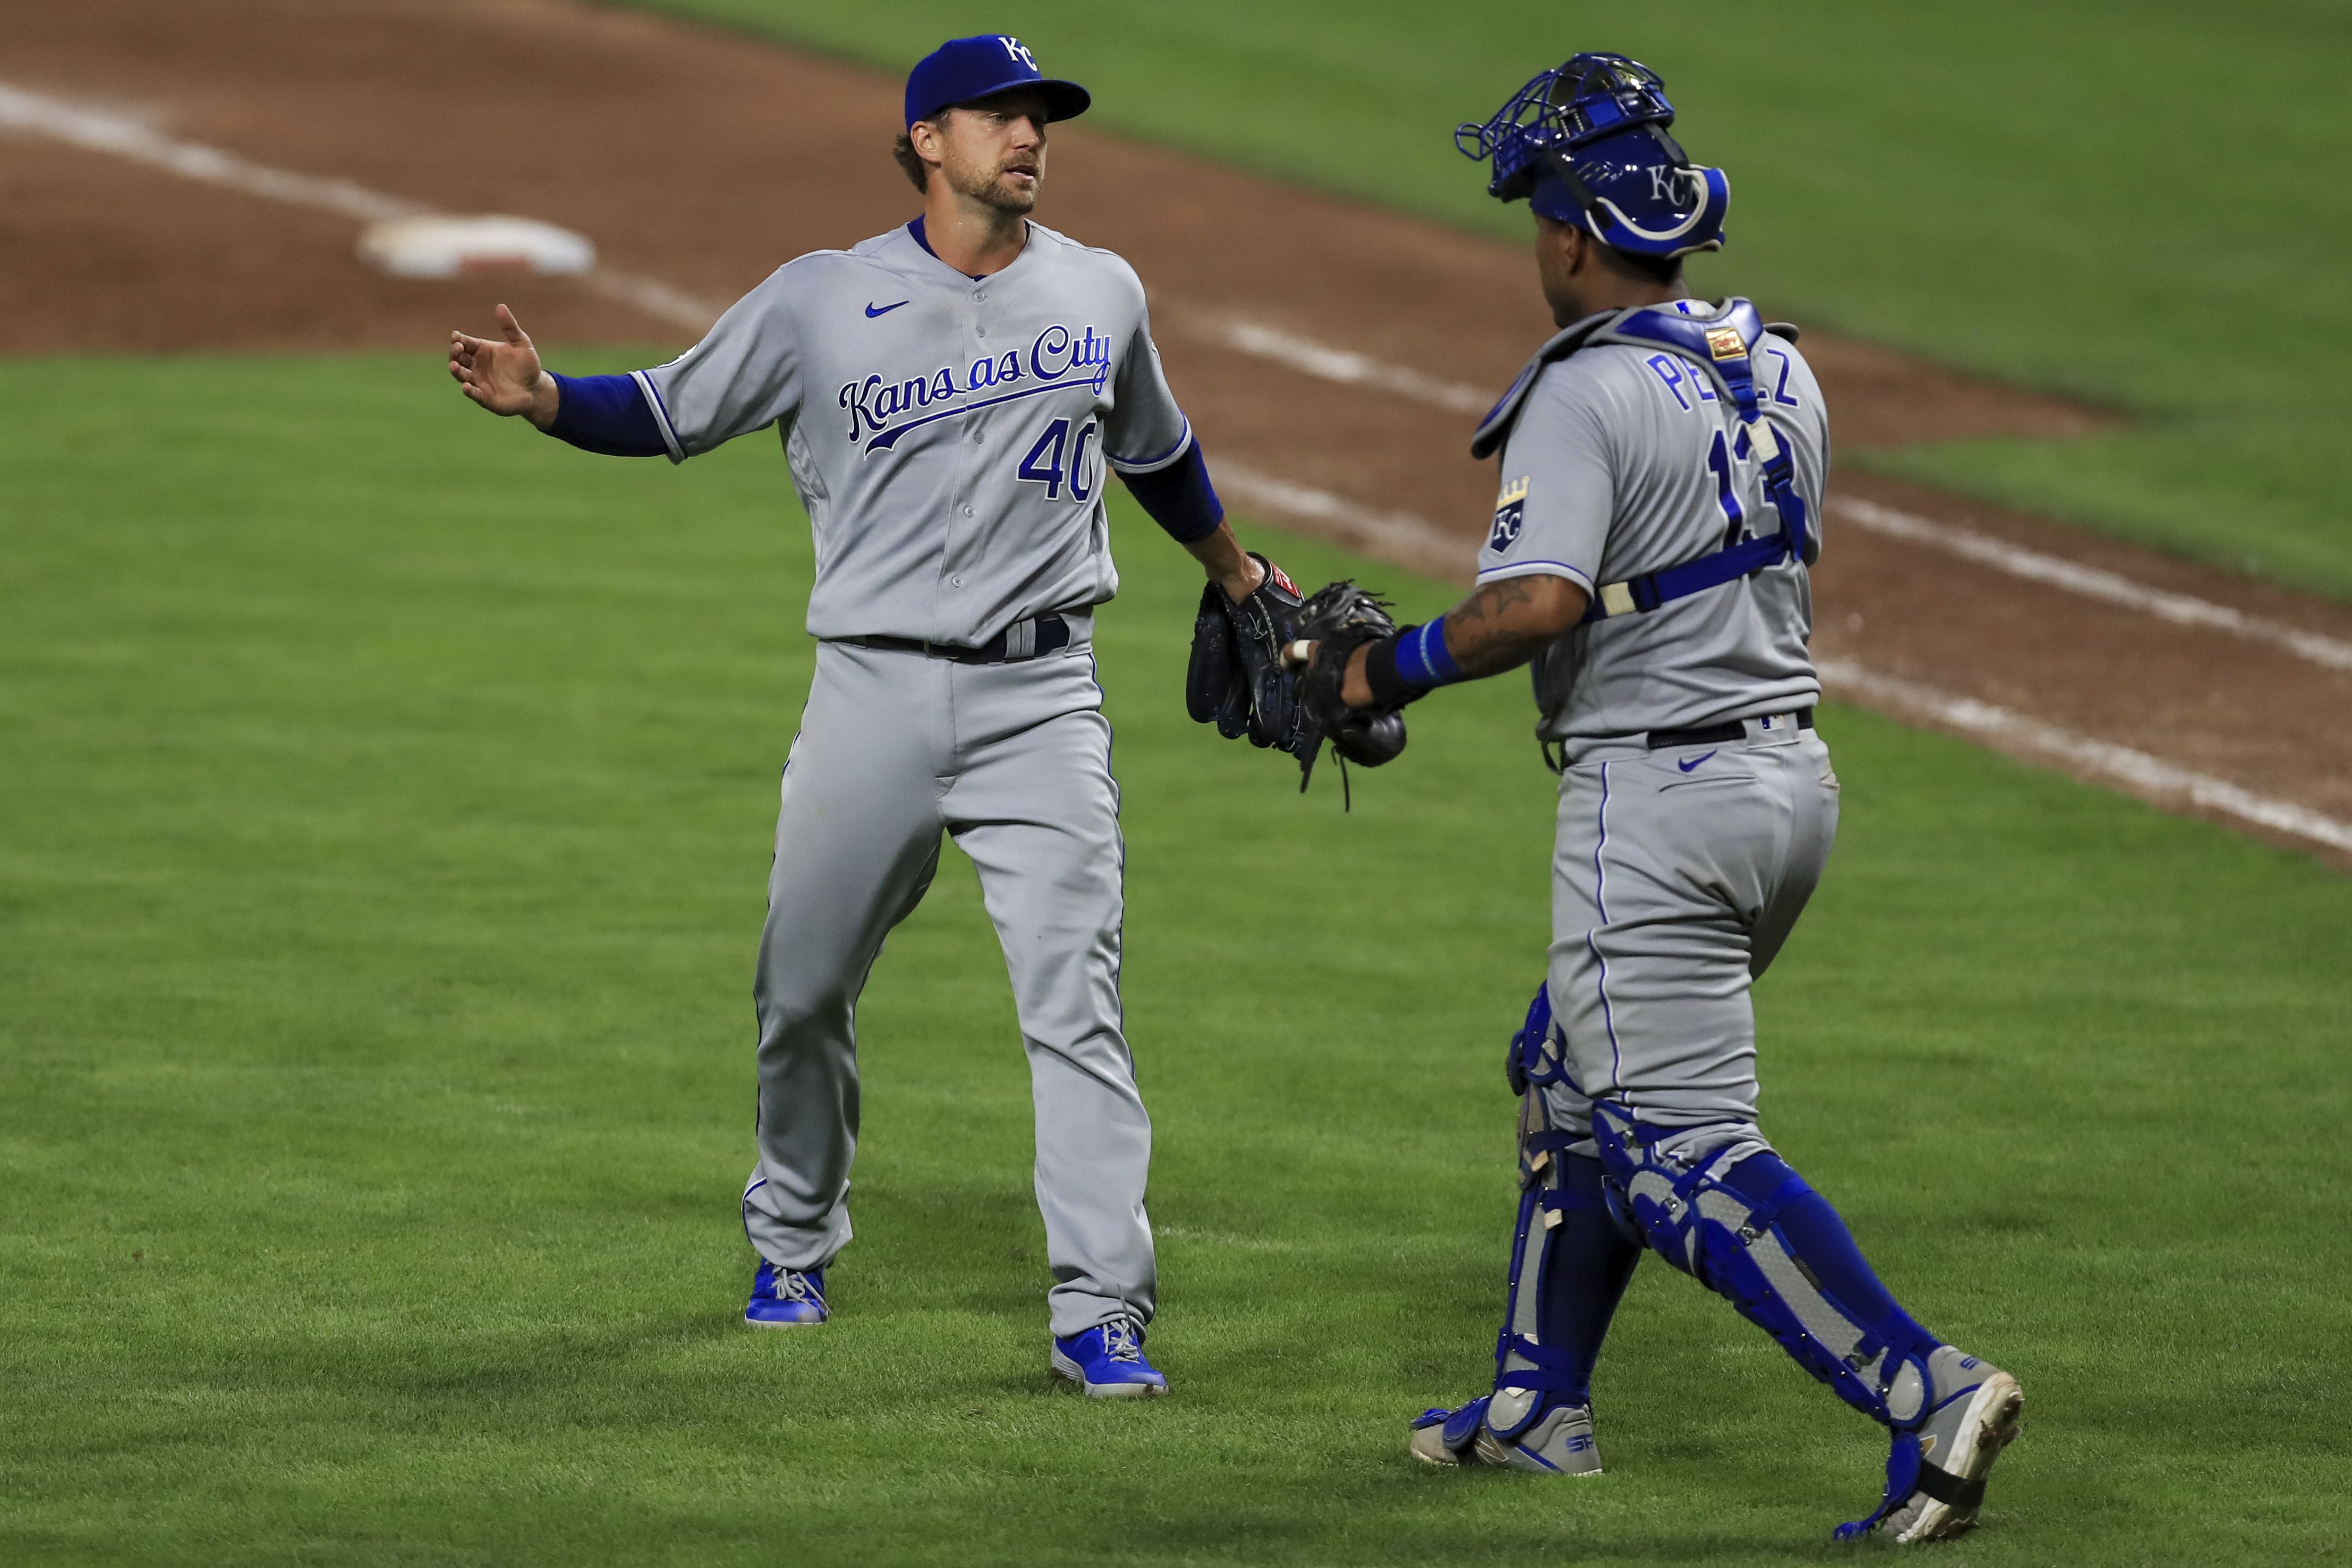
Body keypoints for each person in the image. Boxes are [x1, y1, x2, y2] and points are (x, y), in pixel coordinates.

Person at [446, 33, 1304, 1398]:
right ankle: (792, 1234)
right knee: (801, 990)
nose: (1027, 137)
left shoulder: (1101, 291)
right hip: (871, 694)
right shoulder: (819, 301)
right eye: (997, 117)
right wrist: (548, 400)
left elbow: (1156, 449)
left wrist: (1236, 571)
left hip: (1044, 699)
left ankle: (1101, 1306)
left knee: (1073, 1004)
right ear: (925, 140)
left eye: (1040, 118)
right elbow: (668, 409)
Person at [1284, 53, 2023, 1540]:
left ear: (1565, 232)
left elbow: (1536, 603)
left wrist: (1381, 675)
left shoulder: (1581, 389)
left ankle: (1922, 1388)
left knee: (1673, 1144)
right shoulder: (1775, 361)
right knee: (1566, 1079)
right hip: (1786, 790)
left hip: (1659, 805)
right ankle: (1534, 1404)